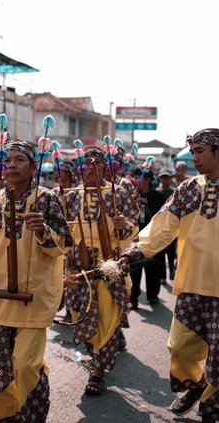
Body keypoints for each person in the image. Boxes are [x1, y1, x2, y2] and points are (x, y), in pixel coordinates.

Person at [0, 139, 72, 422]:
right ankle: (7, 415)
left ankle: (29, 415)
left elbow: (64, 244)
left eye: (20, 160)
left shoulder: (46, 199)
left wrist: (43, 231)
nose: (12, 166)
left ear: (33, 167)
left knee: (26, 365)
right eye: (9, 161)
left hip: (34, 298)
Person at [119, 128, 219, 423]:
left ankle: (211, 410)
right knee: (179, 346)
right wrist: (136, 251)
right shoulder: (189, 189)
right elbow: (162, 225)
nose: (194, 157)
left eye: (200, 151)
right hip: (191, 283)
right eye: (193, 151)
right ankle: (195, 384)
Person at [65, 145, 138, 395]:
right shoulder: (73, 194)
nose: (91, 166)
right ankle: (94, 354)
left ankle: (97, 370)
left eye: (97, 162)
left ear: (107, 167)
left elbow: (132, 226)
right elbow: (64, 231)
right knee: (79, 316)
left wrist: (123, 226)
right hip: (78, 263)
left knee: (107, 318)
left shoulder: (118, 192)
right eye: (87, 162)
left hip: (109, 264)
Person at [129, 169, 164, 309]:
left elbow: (163, 218)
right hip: (135, 237)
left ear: (148, 180)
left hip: (152, 237)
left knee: (153, 267)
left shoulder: (158, 196)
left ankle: (152, 295)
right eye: (135, 177)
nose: (137, 181)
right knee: (134, 269)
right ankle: (133, 297)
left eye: (140, 177)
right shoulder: (132, 196)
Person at [156, 168, 177, 284]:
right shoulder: (156, 192)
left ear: (170, 178)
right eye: (163, 177)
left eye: (167, 177)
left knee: (172, 253)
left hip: (173, 227)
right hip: (160, 228)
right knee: (160, 254)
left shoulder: (175, 192)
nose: (165, 180)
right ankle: (162, 275)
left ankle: (172, 272)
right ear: (160, 178)